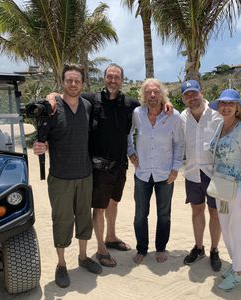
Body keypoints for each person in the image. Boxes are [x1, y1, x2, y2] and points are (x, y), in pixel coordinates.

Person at [46, 63, 173, 268]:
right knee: (99, 208)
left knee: (113, 203)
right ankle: (100, 249)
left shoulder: (130, 104)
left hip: (120, 165)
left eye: (117, 77)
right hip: (97, 167)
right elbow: (66, 94)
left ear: (122, 81)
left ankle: (111, 237)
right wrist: (51, 96)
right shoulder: (90, 100)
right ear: (104, 78)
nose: (113, 80)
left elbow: (152, 104)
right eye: (109, 77)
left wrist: (167, 104)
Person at [33, 63, 102, 288]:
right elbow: (42, 138)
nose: (73, 84)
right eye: (69, 80)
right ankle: (61, 264)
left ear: (82, 83)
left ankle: (82, 257)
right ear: (63, 82)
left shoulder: (88, 105)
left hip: (85, 175)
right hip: (60, 177)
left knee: (84, 217)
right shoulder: (52, 107)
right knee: (62, 221)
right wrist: (39, 146)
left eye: (77, 81)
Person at [128, 78, 184, 264]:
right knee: (140, 214)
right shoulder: (137, 113)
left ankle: (160, 248)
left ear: (162, 94)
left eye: (156, 91)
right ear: (143, 95)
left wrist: (175, 169)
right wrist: (131, 151)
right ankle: (142, 249)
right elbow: (127, 133)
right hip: (142, 172)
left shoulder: (173, 116)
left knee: (164, 214)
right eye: (148, 92)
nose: (152, 95)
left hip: (165, 173)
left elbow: (179, 144)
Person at [208, 89, 241, 291]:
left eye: (231, 104)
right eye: (223, 103)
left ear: (237, 108)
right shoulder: (219, 126)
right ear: (219, 107)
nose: (226, 107)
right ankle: (237, 266)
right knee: (226, 229)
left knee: (238, 231)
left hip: (238, 188)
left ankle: (238, 274)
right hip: (222, 187)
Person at [180, 80, 223, 271]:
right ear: (183, 98)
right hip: (192, 173)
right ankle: (199, 248)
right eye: (187, 94)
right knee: (196, 211)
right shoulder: (182, 117)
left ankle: (214, 250)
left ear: (201, 92)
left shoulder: (217, 116)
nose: (191, 97)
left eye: (194, 93)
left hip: (214, 173)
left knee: (215, 212)